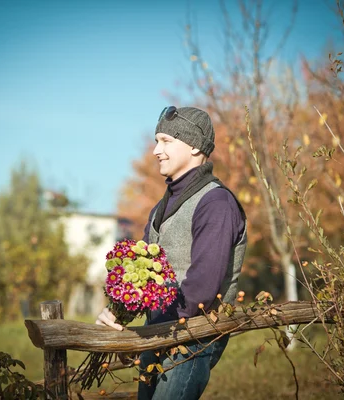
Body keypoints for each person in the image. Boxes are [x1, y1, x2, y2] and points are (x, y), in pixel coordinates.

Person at [96, 106, 247, 400]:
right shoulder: (160, 208)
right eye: (156, 141)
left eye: (165, 141)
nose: (155, 150)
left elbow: (201, 289)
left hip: (191, 340)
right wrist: (118, 313)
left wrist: (156, 330)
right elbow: (138, 279)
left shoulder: (216, 203)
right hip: (159, 334)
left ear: (194, 146)